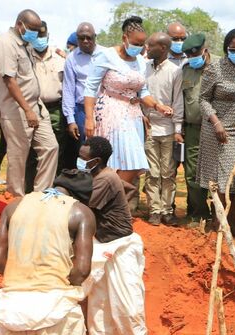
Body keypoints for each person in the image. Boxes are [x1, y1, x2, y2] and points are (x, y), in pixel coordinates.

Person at [0, 170, 97, 335]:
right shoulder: (80, 212)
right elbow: (82, 271)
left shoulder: (14, 207)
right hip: (55, 312)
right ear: (82, 197)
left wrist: (24, 279)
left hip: (11, 311)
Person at [77, 136, 157, 335]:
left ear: (96, 160)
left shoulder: (106, 179)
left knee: (127, 305)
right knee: (98, 308)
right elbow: (129, 188)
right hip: (100, 247)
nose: (79, 160)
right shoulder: (100, 176)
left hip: (121, 247)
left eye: (83, 157)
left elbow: (81, 207)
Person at [83, 16, 174, 205]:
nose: (140, 47)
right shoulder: (106, 55)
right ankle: (104, 204)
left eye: (142, 44)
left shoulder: (140, 61)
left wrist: (157, 106)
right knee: (114, 159)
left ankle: (111, 203)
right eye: (135, 43)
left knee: (132, 162)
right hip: (110, 111)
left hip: (133, 114)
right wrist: (89, 118)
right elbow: (90, 88)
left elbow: (143, 91)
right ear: (125, 38)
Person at [196, 28, 235, 240]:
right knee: (223, 179)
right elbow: (203, 99)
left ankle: (233, 223)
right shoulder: (215, 68)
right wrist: (216, 123)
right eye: (234, 50)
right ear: (226, 49)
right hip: (219, 129)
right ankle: (219, 223)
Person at [0, 9, 59, 198]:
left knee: (50, 147)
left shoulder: (25, 44)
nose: (36, 34)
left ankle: (39, 197)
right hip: (17, 110)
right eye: (32, 29)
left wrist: (34, 108)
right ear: (20, 24)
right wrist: (27, 110)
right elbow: (9, 80)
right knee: (18, 156)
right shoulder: (5, 43)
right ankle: (15, 200)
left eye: (38, 31)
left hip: (36, 107)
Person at [142, 32, 184, 226]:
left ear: (163, 49)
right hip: (149, 127)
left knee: (168, 172)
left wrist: (177, 129)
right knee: (152, 172)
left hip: (168, 129)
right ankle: (155, 210)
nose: (146, 49)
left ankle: (167, 210)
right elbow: (139, 95)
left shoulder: (175, 71)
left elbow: (178, 101)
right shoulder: (144, 68)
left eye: (150, 46)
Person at [180, 33, 212, 226]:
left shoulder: (221, 66)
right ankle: (200, 214)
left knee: (215, 172)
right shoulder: (185, 71)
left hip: (216, 130)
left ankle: (218, 214)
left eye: (196, 54)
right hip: (193, 129)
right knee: (192, 173)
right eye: (189, 56)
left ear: (205, 50)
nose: (193, 58)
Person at [32, 21, 70, 173]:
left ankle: (54, 184)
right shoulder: (25, 57)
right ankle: (32, 185)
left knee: (58, 147)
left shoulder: (60, 58)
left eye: (42, 34)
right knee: (34, 149)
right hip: (33, 108)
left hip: (56, 108)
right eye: (36, 35)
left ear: (47, 35)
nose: (40, 38)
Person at [63, 22, 100, 164]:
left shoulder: (105, 54)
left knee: (106, 148)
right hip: (81, 111)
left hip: (104, 109)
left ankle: (105, 184)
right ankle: (86, 184)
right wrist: (71, 120)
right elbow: (68, 89)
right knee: (86, 151)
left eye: (89, 37)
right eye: (81, 38)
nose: (85, 41)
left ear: (95, 37)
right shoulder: (71, 58)